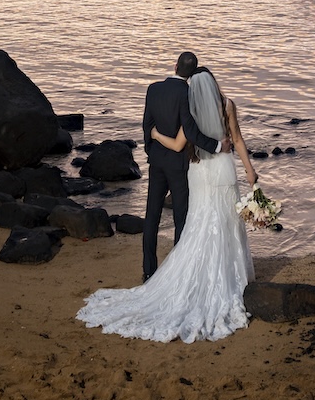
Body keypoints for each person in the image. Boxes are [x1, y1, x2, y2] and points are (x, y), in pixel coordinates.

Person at [76, 64, 257, 343]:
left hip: (198, 172)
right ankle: (232, 278)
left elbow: (176, 145)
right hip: (223, 171)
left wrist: (155, 136)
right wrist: (249, 170)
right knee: (225, 221)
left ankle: (166, 272)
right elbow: (239, 139)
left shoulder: (191, 110)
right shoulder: (228, 105)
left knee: (199, 221)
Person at [138, 50, 222, 281]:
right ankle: (176, 271)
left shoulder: (153, 88)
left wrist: (150, 149)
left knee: (152, 215)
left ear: (175, 67)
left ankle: (148, 270)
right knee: (180, 217)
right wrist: (216, 146)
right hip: (178, 164)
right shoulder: (188, 93)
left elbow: (147, 124)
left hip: (157, 160)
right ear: (192, 72)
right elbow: (191, 131)